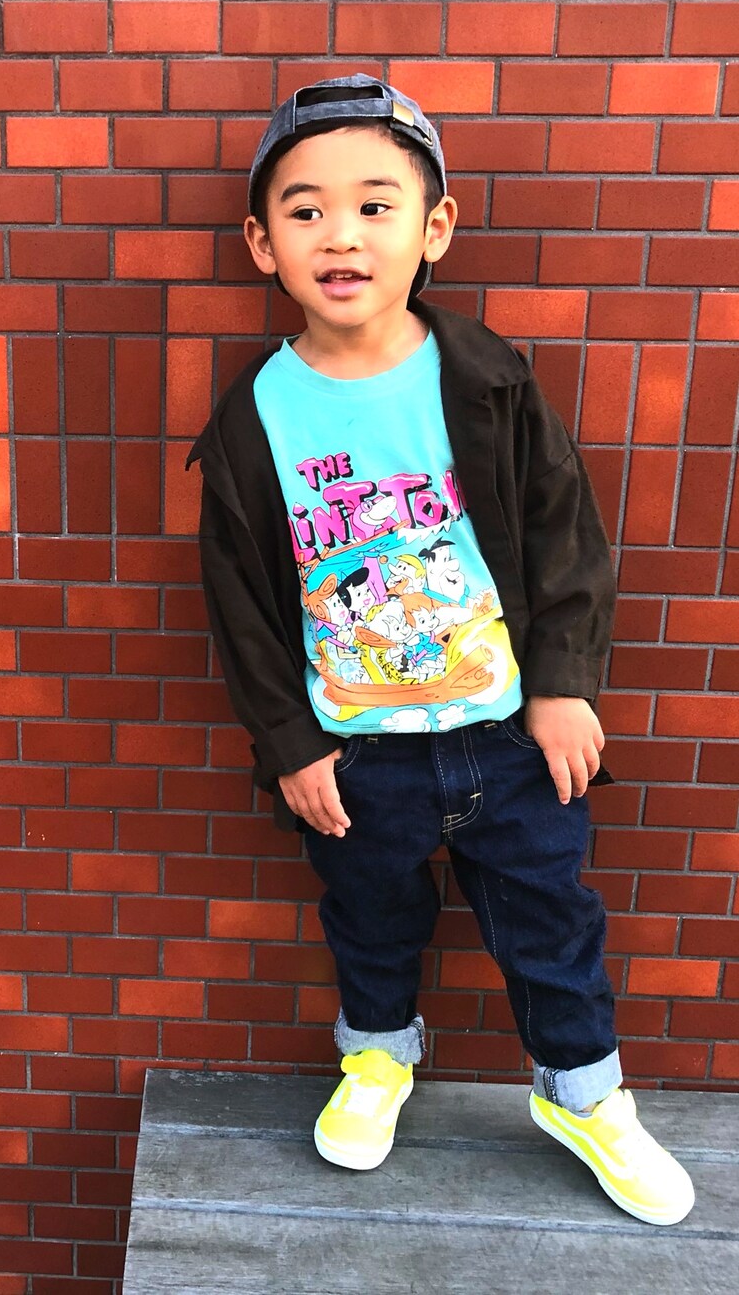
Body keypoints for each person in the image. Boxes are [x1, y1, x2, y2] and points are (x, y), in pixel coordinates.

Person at [186, 74, 695, 1227]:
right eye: (306, 210)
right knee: (368, 916)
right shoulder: (254, 418)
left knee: (551, 920)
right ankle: (377, 1057)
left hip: (505, 734)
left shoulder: (486, 378)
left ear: (435, 228)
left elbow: (565, 534)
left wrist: (563, 686)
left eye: (375, 205)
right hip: (355, 751)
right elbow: (240, 605)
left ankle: (584, 1094)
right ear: (262, 244)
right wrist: (288, 743)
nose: (342, 235)